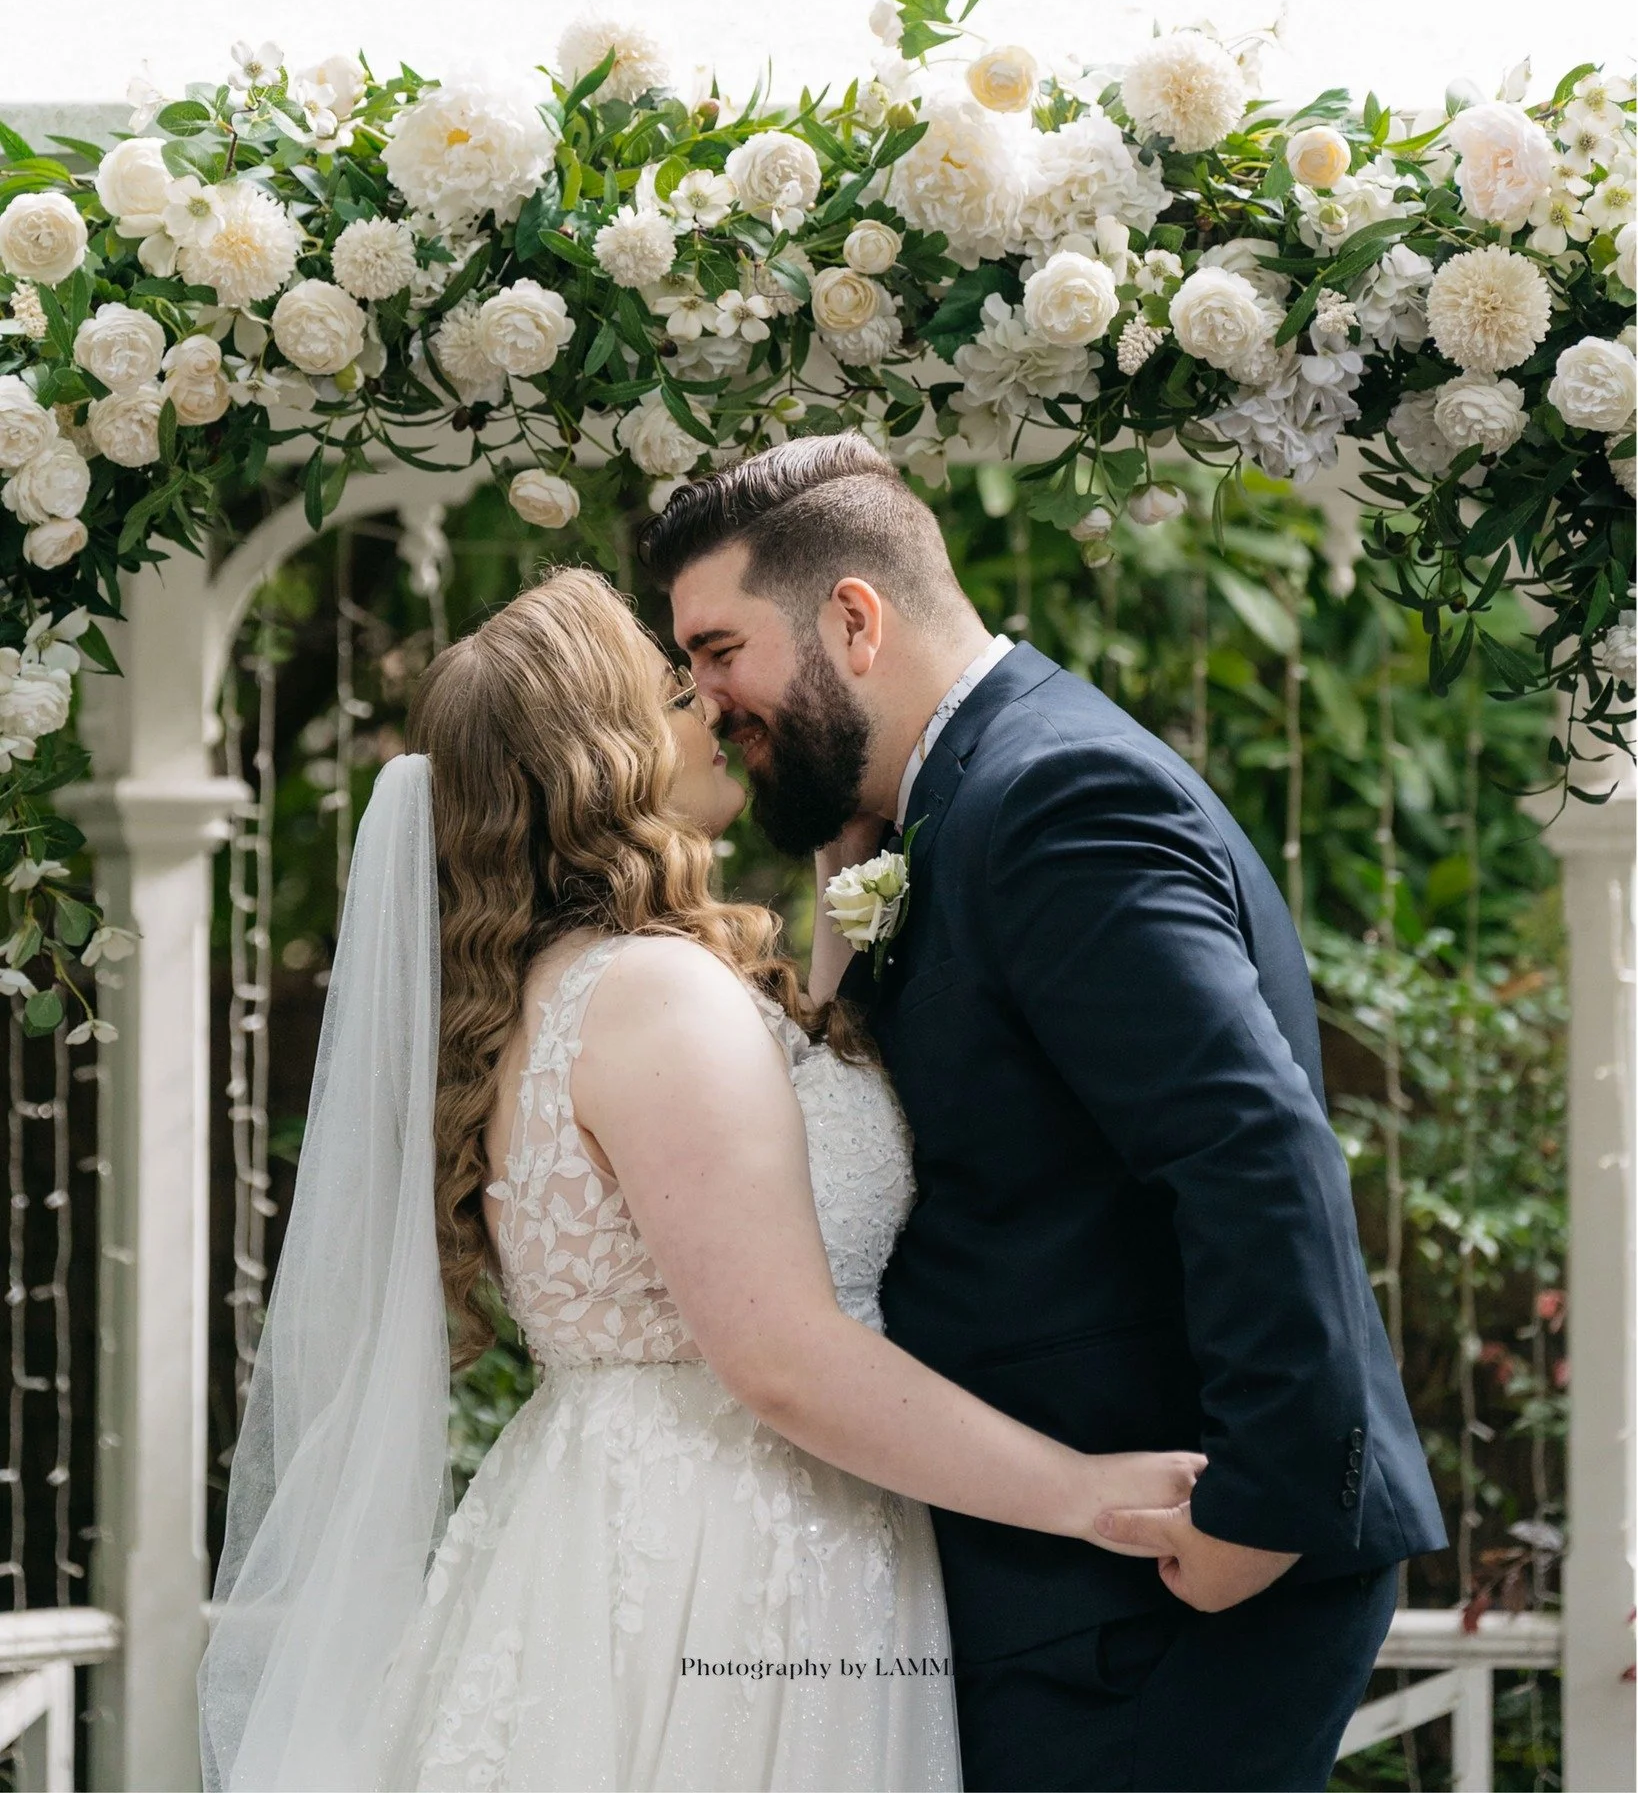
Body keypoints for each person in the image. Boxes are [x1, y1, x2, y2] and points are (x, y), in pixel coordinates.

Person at [197, 564, 1202, 1793]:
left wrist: (848, 843)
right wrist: (1088, 1497)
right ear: (605, 756)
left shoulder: (566, 990)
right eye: (681, 692)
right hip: (732, 1558)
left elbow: (770, 1153)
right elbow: (780, 1351)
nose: (717, 712)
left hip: (616, 1520)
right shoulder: (652, 994)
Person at [641, 433, 1449, 1793]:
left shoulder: (1053, 800)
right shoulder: (937, 810)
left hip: (1156, 1587)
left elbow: (1247, 1148)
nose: (707, 699)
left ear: (851, 619)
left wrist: (1263, 1507)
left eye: (721, 651)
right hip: (1070, 1584)